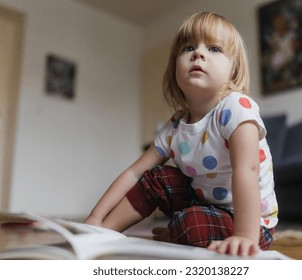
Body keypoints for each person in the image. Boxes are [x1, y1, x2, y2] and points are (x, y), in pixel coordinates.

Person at [85, 11, 278, 257]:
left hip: (251, 223)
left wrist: (245, 236)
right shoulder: (175, 125)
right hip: (204, 206)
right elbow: (135, 173)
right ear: (175, 67)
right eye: (188, 48)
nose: (198, 53)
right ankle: (107, 231)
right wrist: (95, 219)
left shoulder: (237, 108)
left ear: (233, 69)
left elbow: (247, 171)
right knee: (156, 177)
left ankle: (181, 234)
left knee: (189, 223)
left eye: (215, 49)